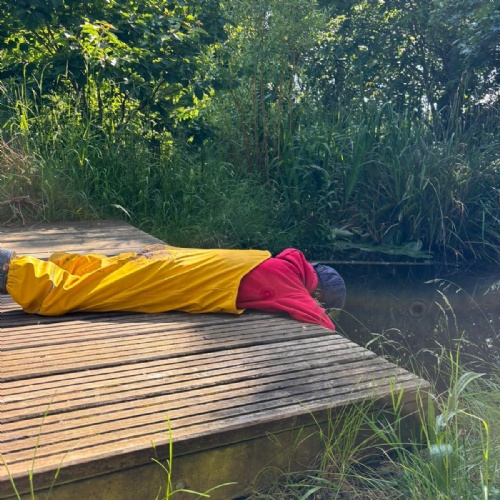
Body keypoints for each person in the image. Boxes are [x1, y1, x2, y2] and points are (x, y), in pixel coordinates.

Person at [0, 245, 346, 330]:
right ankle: (9, 268)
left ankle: (15, 266)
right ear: (317, 292)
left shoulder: (273, 260)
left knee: (102, 271)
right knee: (85, 293)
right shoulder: (288, 283)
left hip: (169, 258)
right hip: (175, 281)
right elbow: (320, 321)